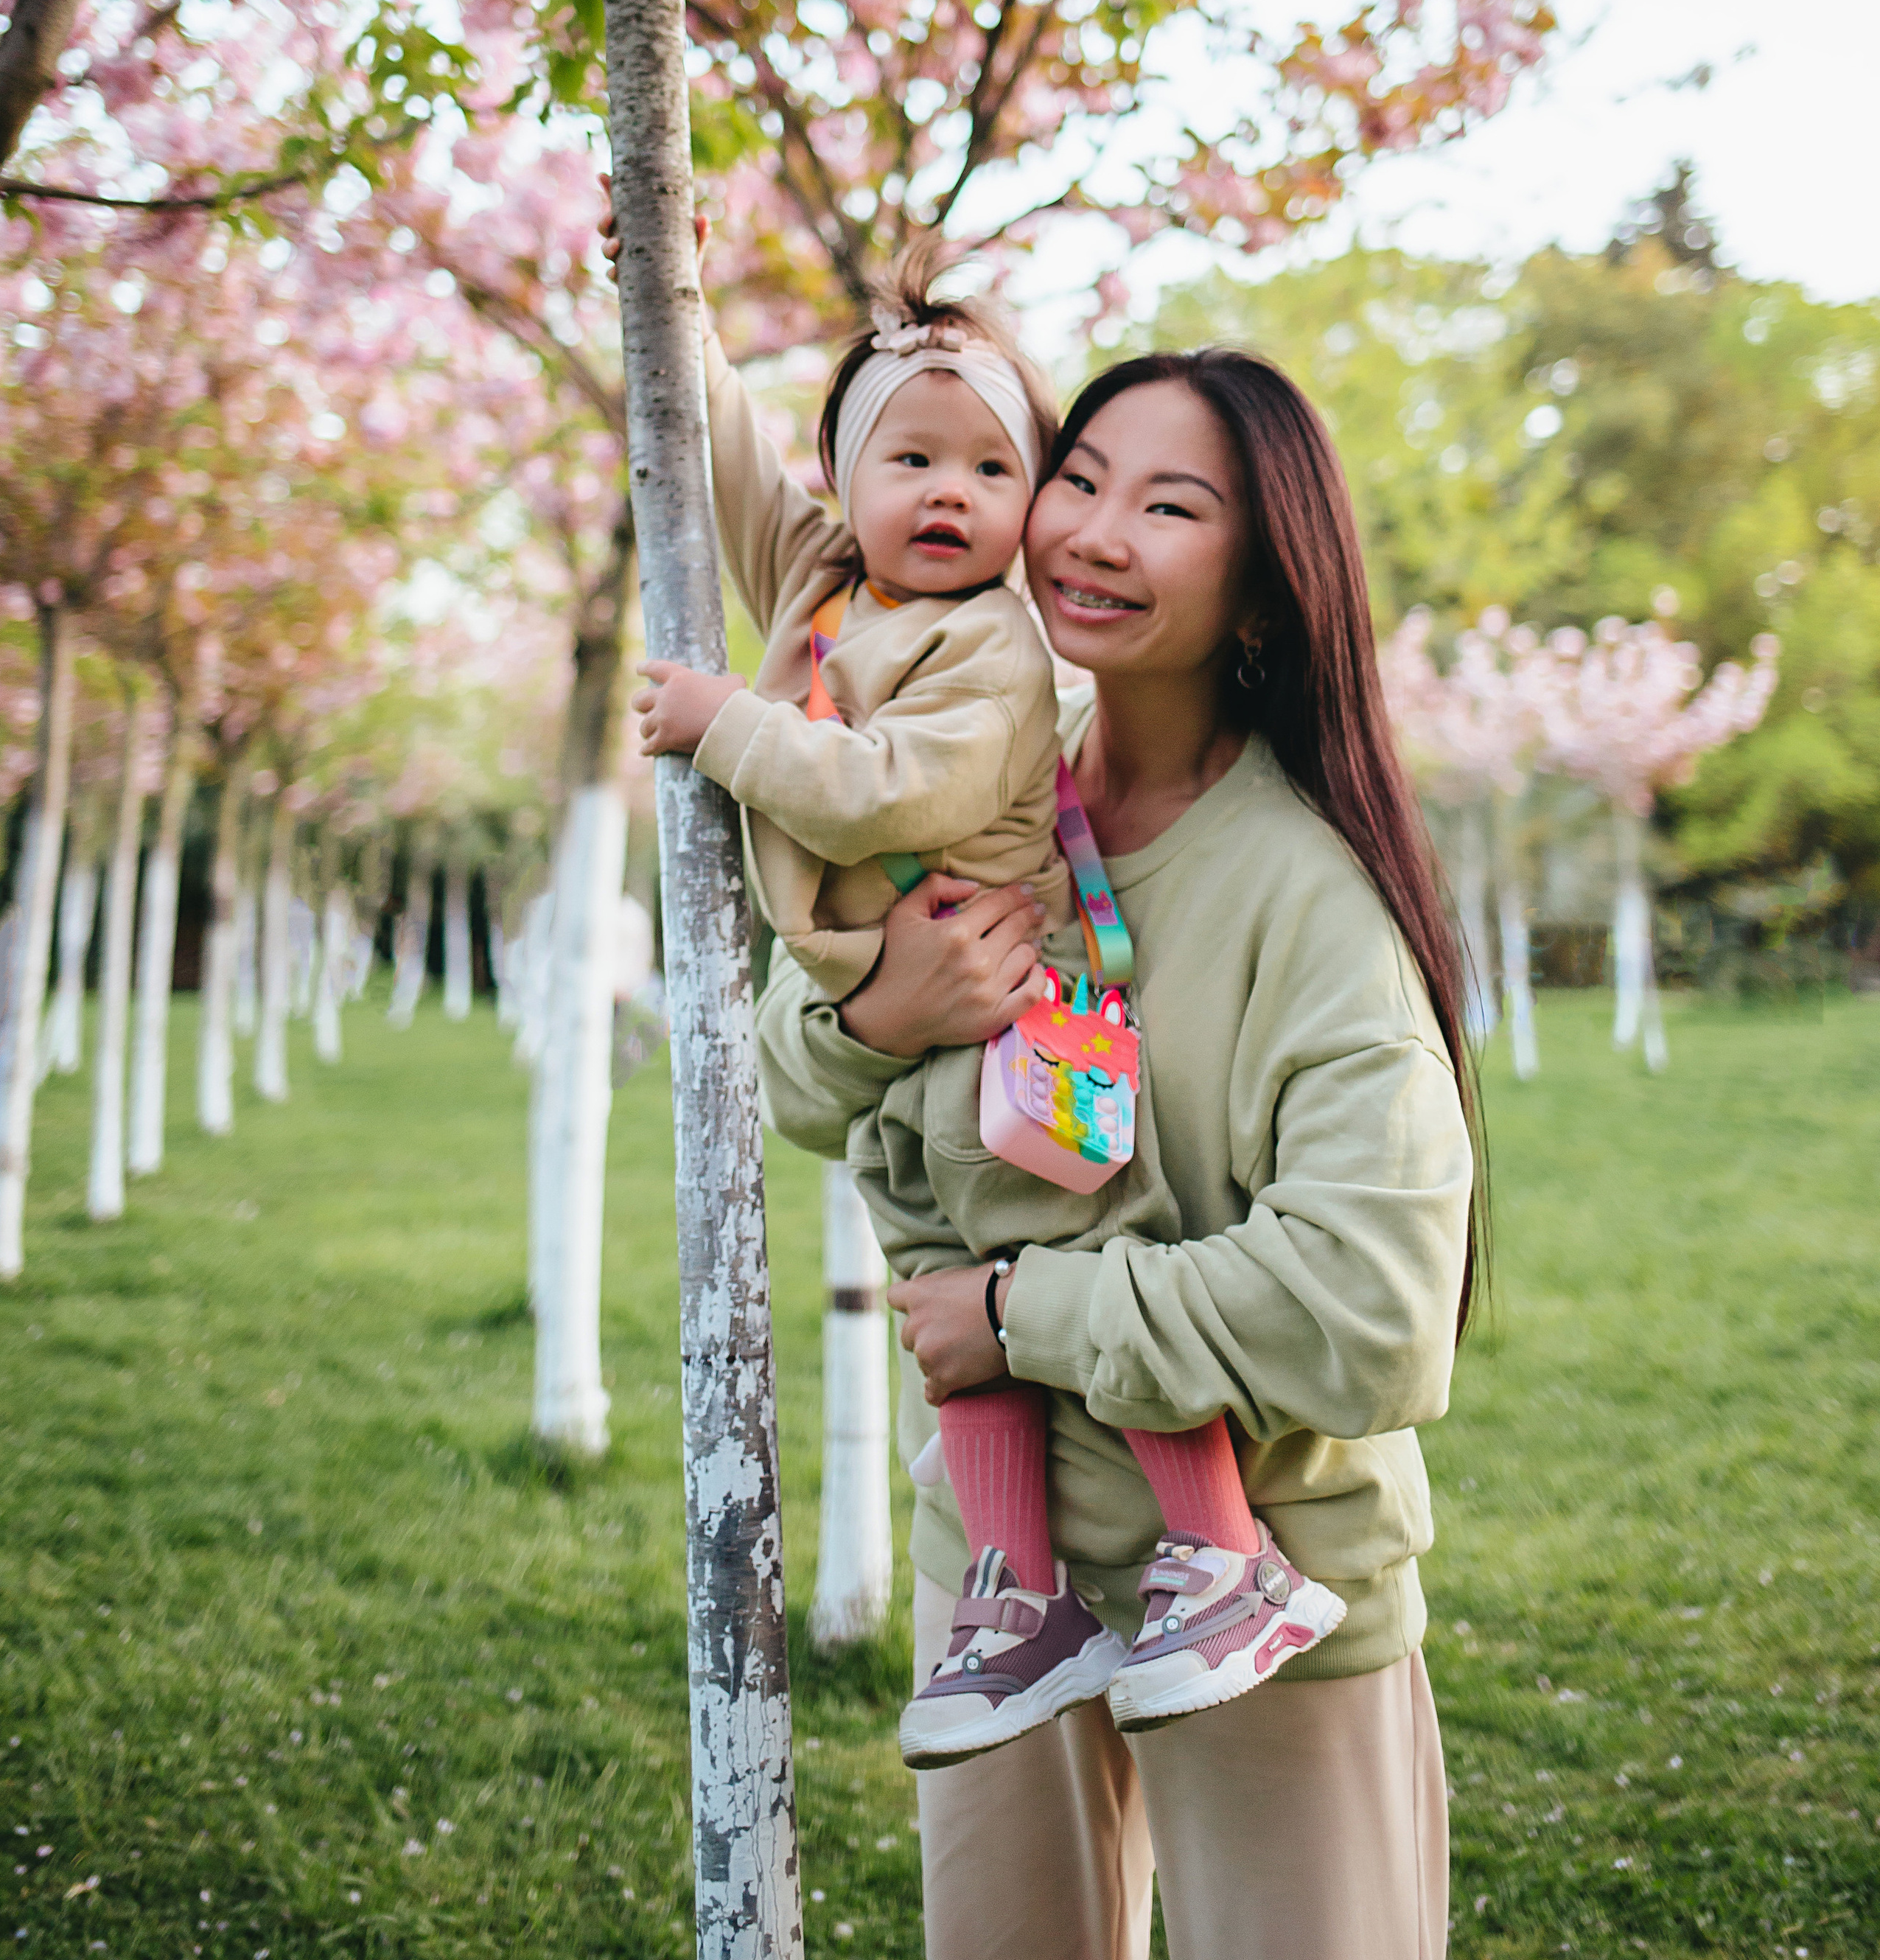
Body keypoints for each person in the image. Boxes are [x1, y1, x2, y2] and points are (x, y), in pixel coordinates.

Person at [757, 348, 1480, 1960]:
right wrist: (884, 1014)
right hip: (999, 1592)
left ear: (1262, 592)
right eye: (1075, 478)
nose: (1089, 531)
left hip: (1268, 1599)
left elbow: (1371, 1312)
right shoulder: (979, 771)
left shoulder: (1309, 896)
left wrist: (1019, 1318)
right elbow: (792, 1078)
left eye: (1166, 505)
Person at [632, 243, 1340, 1768]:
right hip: (913, 1064)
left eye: (989, 467)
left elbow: (890, 784)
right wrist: (667, 301)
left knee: (1080, 1252)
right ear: (847, 472)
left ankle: (1228, 1557)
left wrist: (724, 729)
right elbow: (736, 466)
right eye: (908, 459)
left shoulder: (986, 643)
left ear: (1025, 512)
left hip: (1011, 1042)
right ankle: (1016, 1600)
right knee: (955, 1327)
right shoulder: (835, 585)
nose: (945, 493)